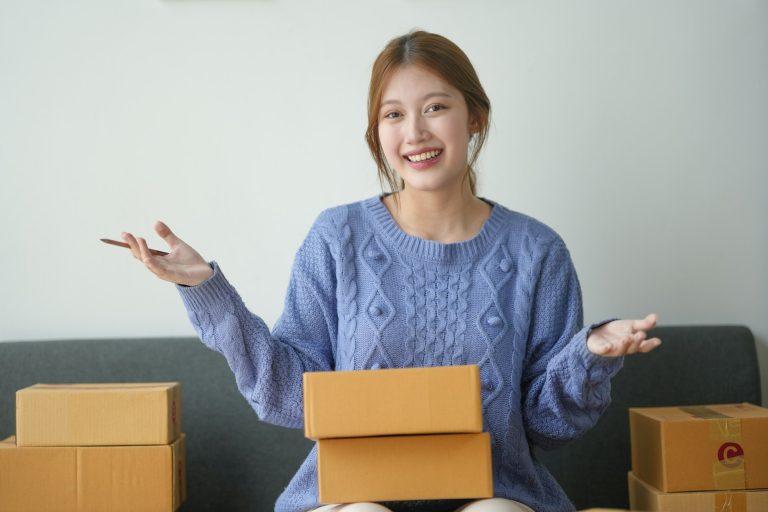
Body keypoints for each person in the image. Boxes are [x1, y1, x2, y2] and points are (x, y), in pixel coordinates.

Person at [120, 30, 661, 512]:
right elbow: (287, 396)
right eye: (394, 114)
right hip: (351, 496)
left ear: (474, 117)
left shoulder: (537, 252)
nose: (415, 133)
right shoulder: (336, 237)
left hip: (495, 494)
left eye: (435, 107)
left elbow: (547, 425)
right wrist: (206, 289)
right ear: (377, 132)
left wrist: (590, 356)